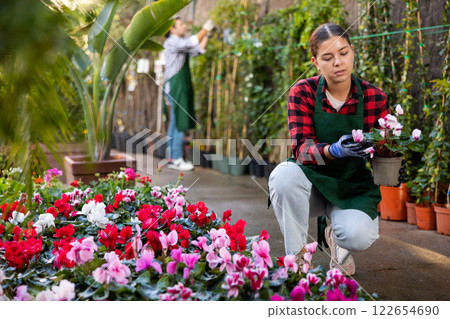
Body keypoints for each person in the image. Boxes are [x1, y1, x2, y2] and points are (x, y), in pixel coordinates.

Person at [268, 23, 390, 276]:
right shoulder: (303, 92)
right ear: (316, 62)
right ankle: (299, 259)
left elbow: (384, 148)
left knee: (358, 235)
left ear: (353, 52)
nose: (338, 62)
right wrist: (333, 150)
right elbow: (302, 148)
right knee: (283, 177)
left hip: (350, 185)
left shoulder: (374, 98)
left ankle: (337, 237)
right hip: (310, 183)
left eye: (344, 53)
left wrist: (392, 161)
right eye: (328, 57)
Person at [163, 17, 214, 171]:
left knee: (174, 122)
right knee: (181, 121)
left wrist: (208, 35)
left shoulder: (180, 43)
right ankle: (178, 158)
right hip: (177, 85)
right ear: (172, 29)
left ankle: (172, 158)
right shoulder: (172, 41)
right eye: (181, 24)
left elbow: (199, 50)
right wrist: (205, 28)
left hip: (179, 86)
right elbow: (192, 42)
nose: (184, 26)